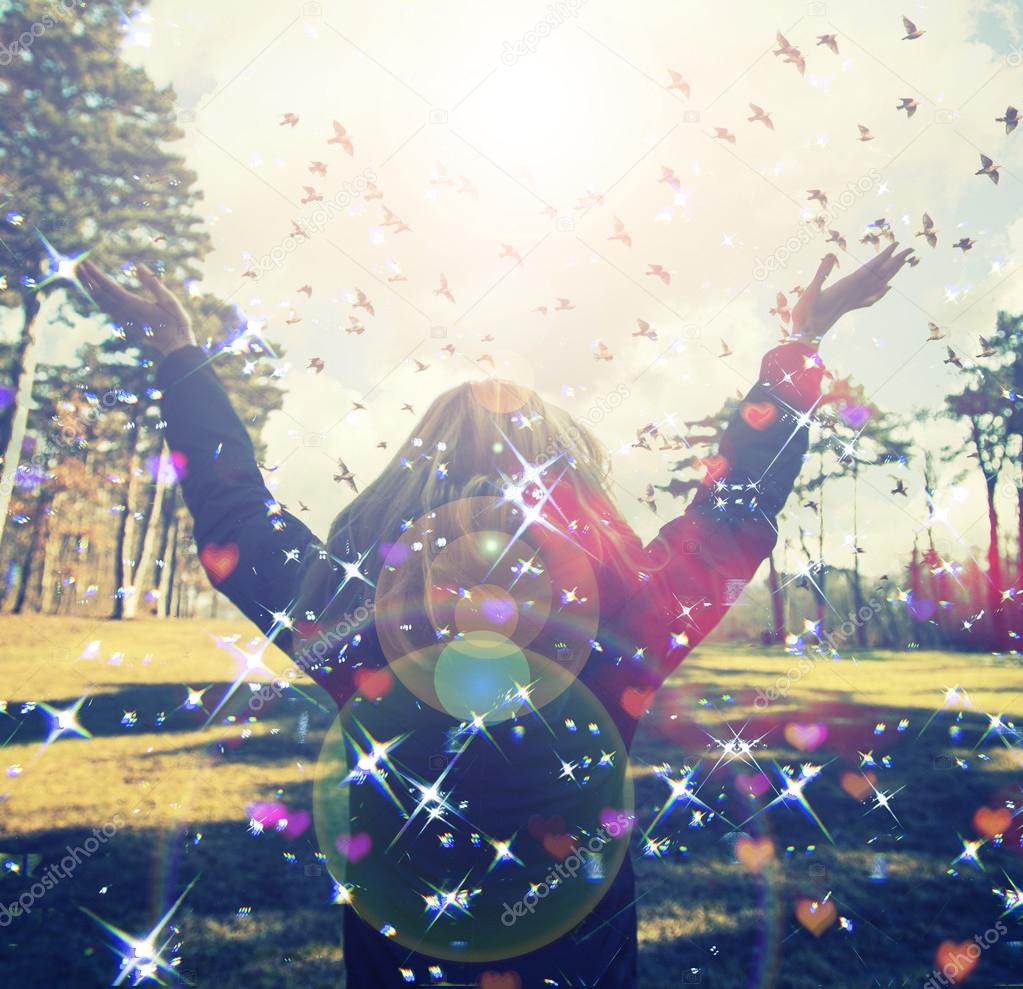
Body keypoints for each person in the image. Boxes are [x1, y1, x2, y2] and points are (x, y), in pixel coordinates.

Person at [78, 243, 913, 987]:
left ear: (409, 483)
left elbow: (237, 517)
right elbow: (734, 506)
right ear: (571, 479)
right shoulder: (622, 621)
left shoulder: (359, 617)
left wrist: (181, 359)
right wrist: (801, 343)